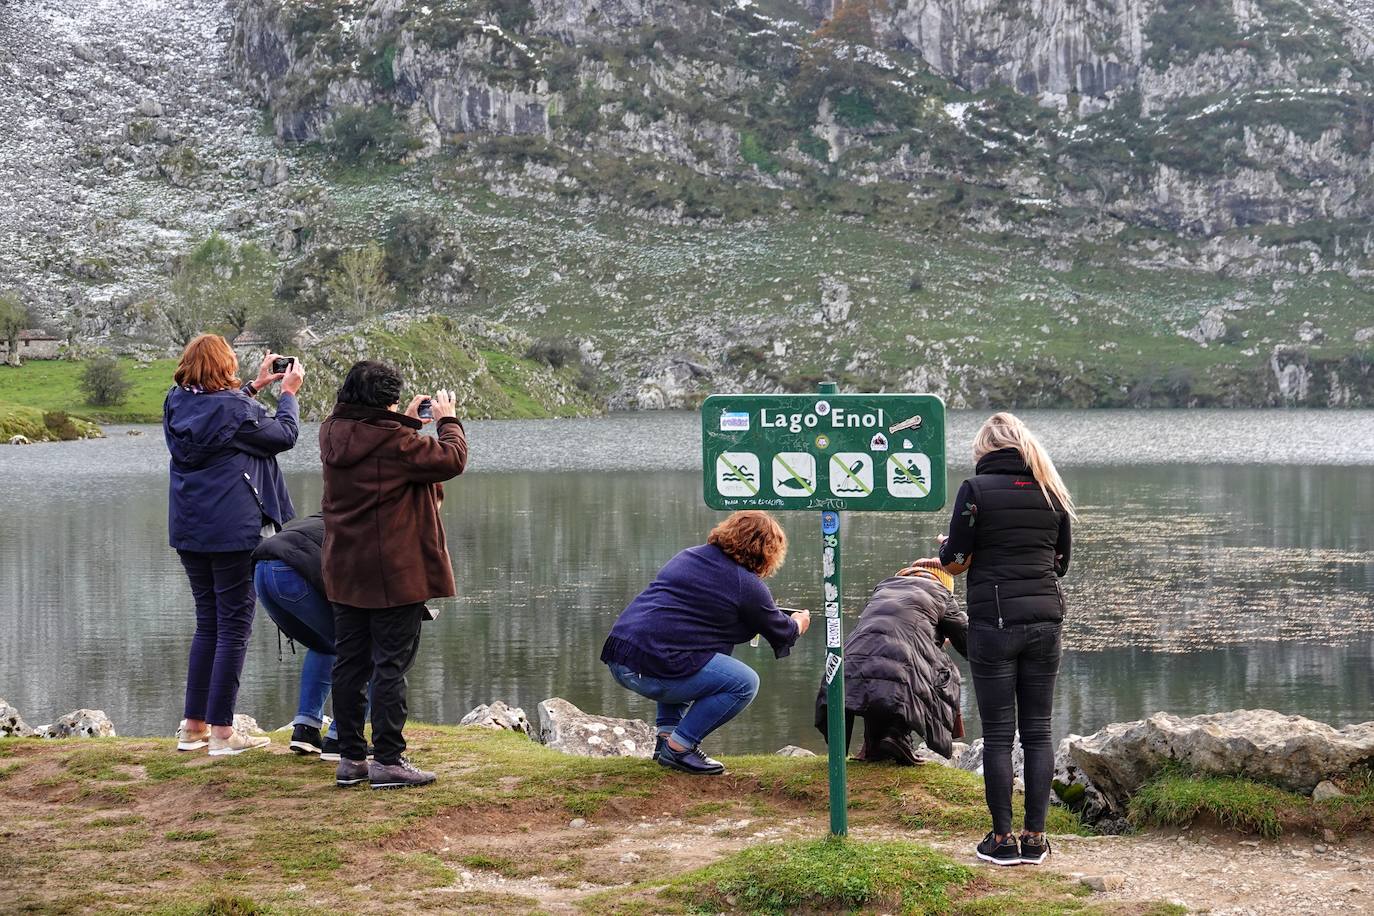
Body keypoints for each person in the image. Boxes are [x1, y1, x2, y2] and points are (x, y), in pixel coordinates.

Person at [320, 361, 467, 790]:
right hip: (394, 572)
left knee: (349, 664)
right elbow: (451, 459)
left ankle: (350, 758)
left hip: (345, 568)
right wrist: (447, 421)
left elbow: (374, 433)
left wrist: (404, 417)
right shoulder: (397, 443)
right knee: (390, 666)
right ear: (387, 401)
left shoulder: (332, 430)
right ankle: (388, 759)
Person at [938, 412, 1075, 867]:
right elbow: (1060, 563)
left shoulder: (975, 491)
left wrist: (954, 549)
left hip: (993, 622)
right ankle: (1035, 838)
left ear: (984, 450)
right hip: (1045, 621)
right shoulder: (1051, 489)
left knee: (998, 734)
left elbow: (954, 559)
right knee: (1038, 730)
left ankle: (1001, 840)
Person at [164, 335, 305, 756]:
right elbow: (283, 435)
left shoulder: (175, 403)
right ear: (224, 367)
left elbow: (218, 421)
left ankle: (194, 727)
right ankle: (223, 732)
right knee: (235, 624)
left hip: (190, 528)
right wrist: (287, 393)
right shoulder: (236, 411)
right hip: (232, 531)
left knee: (208, 621)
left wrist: (254, 386)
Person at [600, 510, 811, 776]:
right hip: (651, 666)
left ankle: (665, 739)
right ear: (766, 551)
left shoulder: (689, 556)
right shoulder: (747, 584)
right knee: (745, 683)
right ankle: (680, 748)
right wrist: (800, 622)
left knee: (686, 654)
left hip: (621, 654)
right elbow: (783, 632)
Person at [814, 560, 968, 765]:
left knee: (884, 667)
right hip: (901, 667)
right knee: (943, 670)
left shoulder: (884, 587)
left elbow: (889, 630)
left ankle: (875, 743)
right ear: (945, 582)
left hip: (848, 663)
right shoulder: (940, 592)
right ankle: (897, 735)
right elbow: (967, 639)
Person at [252, 514, 369, 761]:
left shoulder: (335, 512)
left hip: (261, 570)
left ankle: (305, 729)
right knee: (364, 649)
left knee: (324, 644)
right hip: (291, 571)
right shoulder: (373, 524)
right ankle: (342, 738)